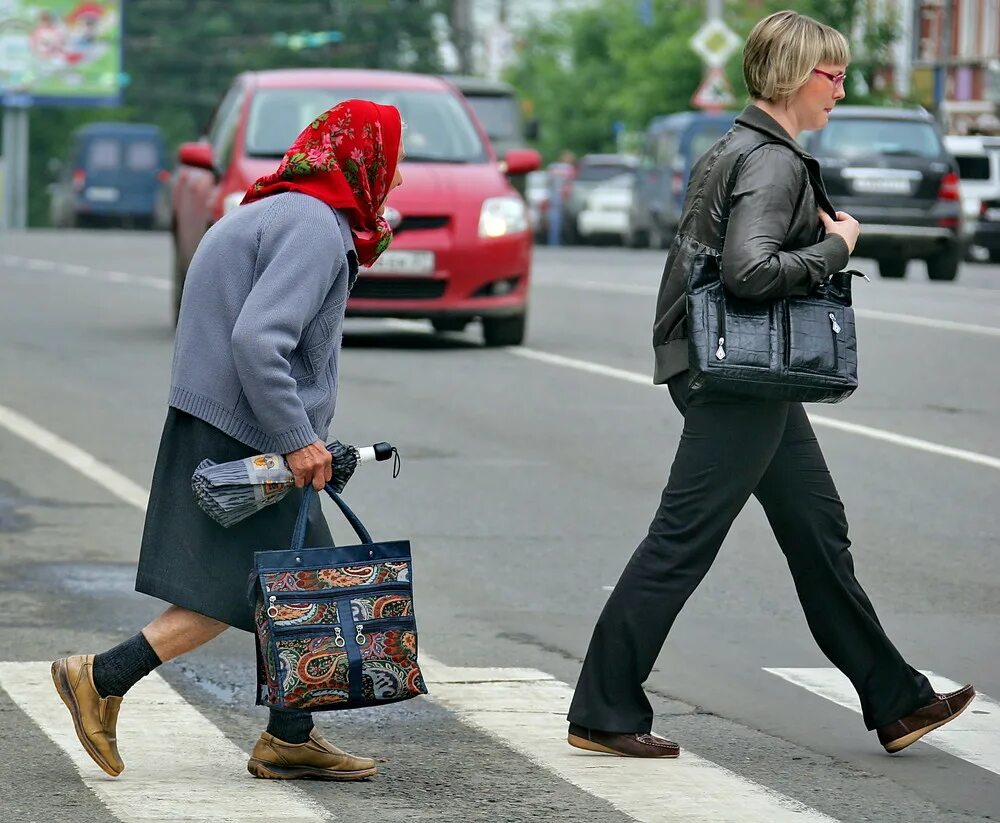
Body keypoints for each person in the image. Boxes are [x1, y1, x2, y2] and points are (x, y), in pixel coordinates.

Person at [566, 11, 974, 759]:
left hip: (738, 373)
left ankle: (898, 699)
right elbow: (747, 272)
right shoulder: (773, 160)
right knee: (681, 540)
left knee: (819, 534)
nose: (842, 91)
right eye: (834, 76)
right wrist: (835, 247)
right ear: (794, 76)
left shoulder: (737, 144)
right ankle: (604, 707)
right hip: (739, 380)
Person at [50, 99, 405, 781]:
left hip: (220, 418)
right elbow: (258, 339)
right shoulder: (313, 226)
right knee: (256, 588)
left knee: (302, 586)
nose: (398, 175)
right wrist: (299, 438)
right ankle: (99, 676)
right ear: (365, 158)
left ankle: (290, 735)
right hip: (245, 431)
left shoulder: (276, 208)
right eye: (392, 157)